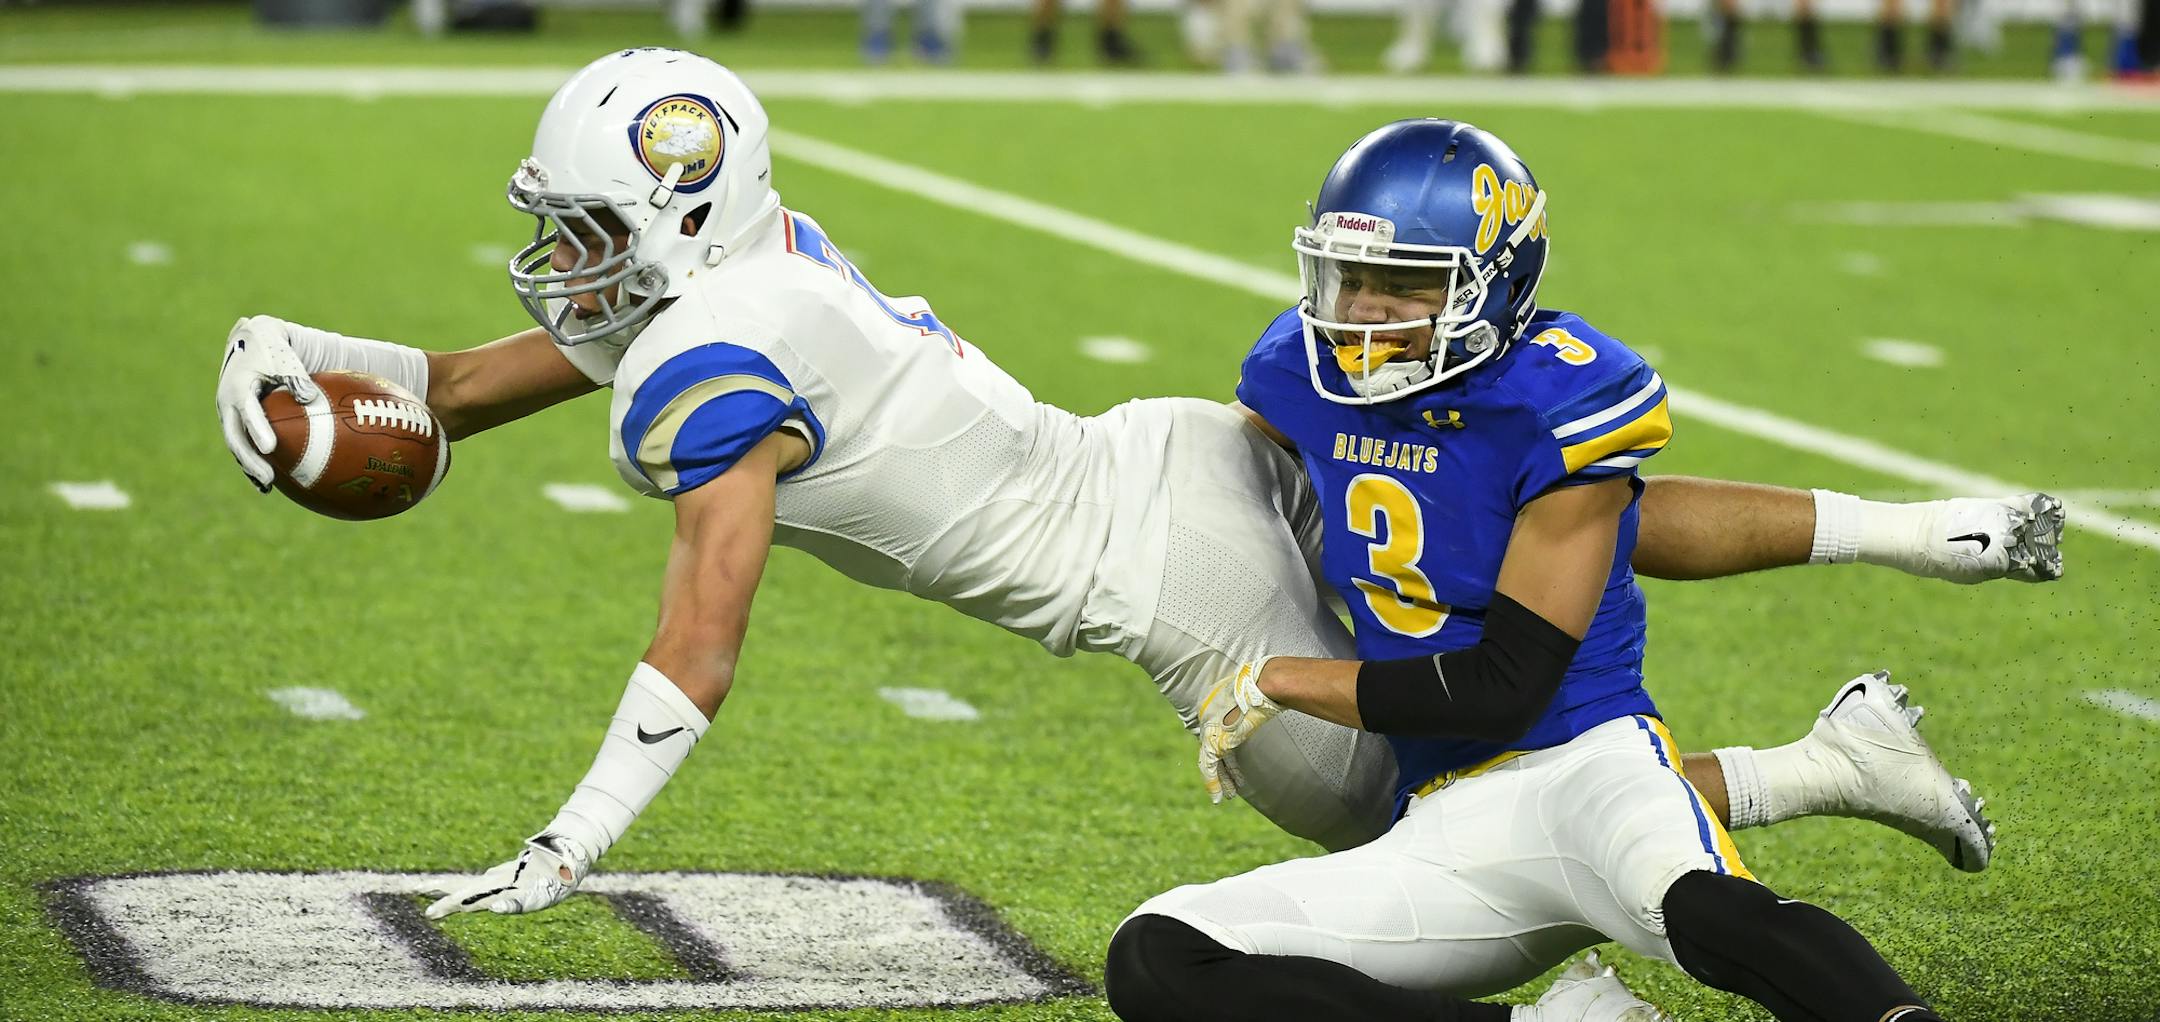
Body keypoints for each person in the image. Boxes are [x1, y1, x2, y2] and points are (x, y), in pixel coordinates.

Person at [211, 51, 2060, 924]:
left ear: (678, 218)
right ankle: (1865, 683)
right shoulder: (740, 277)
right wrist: (302, 365)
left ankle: (1805, 784)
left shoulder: (714, 348)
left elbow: (702, 635)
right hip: (1166, 463)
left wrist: (574, 838)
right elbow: (453, 391)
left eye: (585, 228)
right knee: (1523, 562)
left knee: (1436, 819)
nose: (557, 259)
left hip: (1178, 582)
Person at [1106, 119, 1992, 1022]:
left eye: (1405, 283)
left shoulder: (1556, 398)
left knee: (1712, 911)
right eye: (1350, 275)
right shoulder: (1299, 369)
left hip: (1591, 768)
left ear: (1495, 286)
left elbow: (1503, 689)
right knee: (1159, 954)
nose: (1361, 310)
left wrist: (1285, 679)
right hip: (1440, 820)